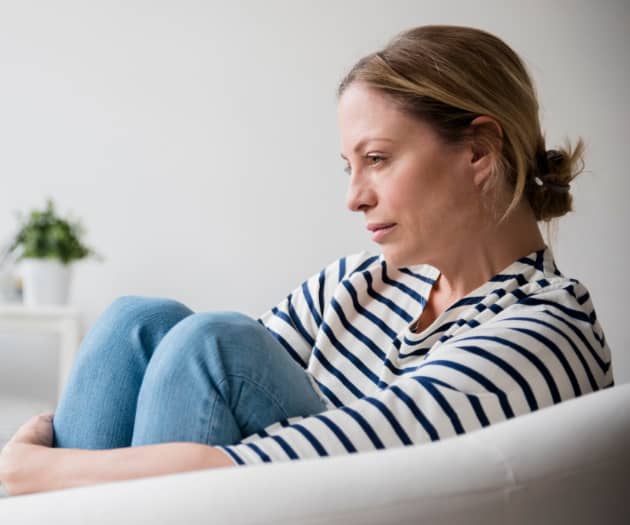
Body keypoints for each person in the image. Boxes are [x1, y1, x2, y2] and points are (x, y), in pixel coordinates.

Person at [0, 24, 613, 495]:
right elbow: (193, 397)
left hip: (335, 499)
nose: (354, 197)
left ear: (478, 152)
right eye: (349, 167)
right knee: (139, 321)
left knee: (213, 344)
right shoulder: (356, 283)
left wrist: (40, 471)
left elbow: (322, 455)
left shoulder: (544, 330)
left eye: (377, 159)